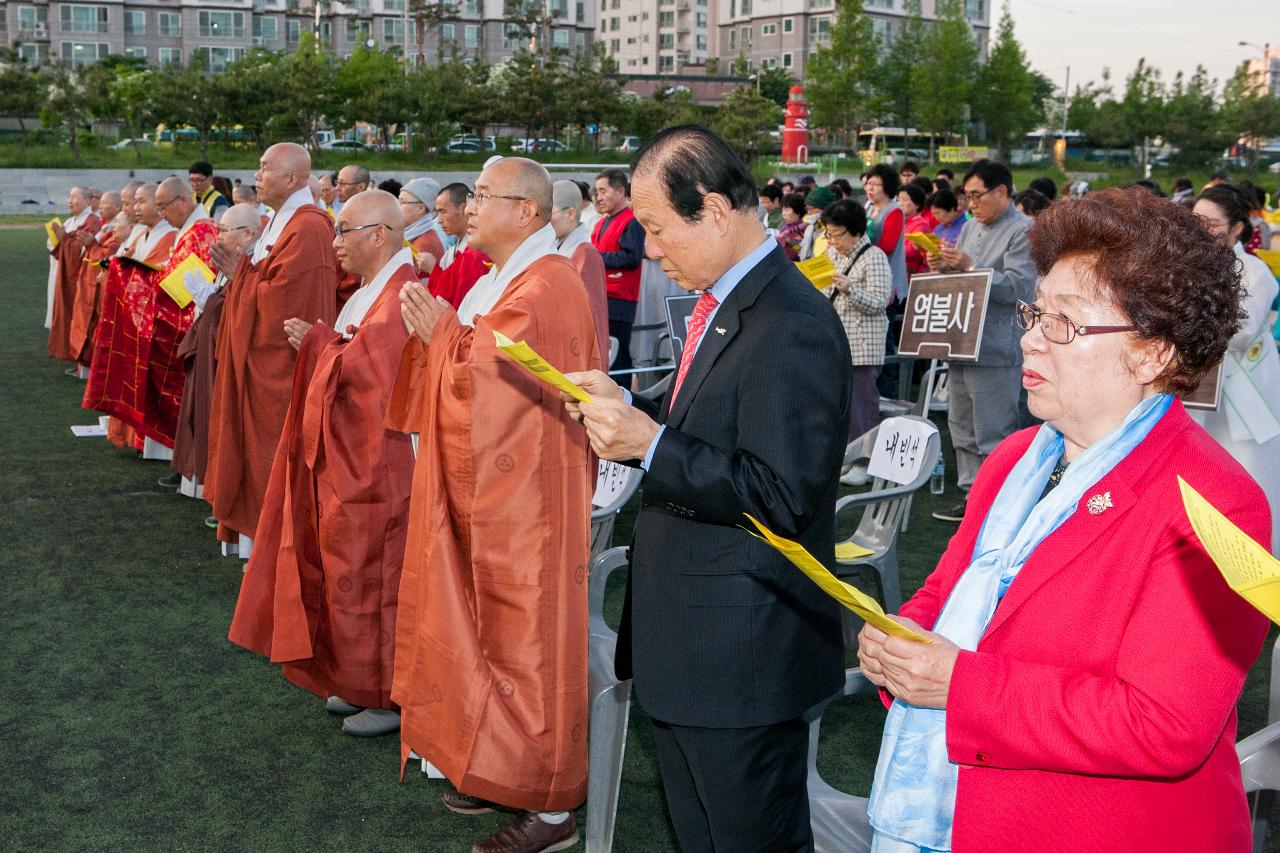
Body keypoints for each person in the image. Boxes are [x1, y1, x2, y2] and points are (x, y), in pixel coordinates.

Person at [858, 186, 1269, 853]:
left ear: (1152, 352)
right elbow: (949, 590)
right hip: (962, 813)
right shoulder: (1017, 457)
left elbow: (1164, 723)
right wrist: (903, 633)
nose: (1030, 340)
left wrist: (959, 684)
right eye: (1035, 313)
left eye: (1064, 323)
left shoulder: (1214, 500)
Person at [565, 125, 849, 853]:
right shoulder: (730, 301)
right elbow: (714, 427)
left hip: (741, 658)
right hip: (694, 644)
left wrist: (649, 442)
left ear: (716, 212)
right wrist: (642, 416)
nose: (651, 250)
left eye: (658, 229)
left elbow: (780, 493)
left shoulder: (792, 322)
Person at [389, 157, 600, 853]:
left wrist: (446, 336)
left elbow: (497, 378)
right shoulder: (502, 278)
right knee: (483, 636)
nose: (470, 206)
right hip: (491, 493)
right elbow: (476, 363)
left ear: (529, 213)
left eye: (484, 195)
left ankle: (551, 806)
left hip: (530, 505)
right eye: (472, 194)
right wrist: (446, 337)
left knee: (528, 646)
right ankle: (498, 768)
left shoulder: (550, 284)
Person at [230, 190, 415, 738]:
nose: (334, 245)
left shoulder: (402, 294)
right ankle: (353, 680)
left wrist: (318, 342)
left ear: (378, 235)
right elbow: (353, 354)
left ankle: (383, 694)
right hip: (351, 457)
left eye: (345, 233)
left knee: (372, 580)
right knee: (344, 574)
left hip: (379, 467)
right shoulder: (372, 291)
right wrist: (325, 342)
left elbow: (374, 374)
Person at [204, 143, 338, 555]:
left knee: (274, 456)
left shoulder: (309, 227)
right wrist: (242, 273)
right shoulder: (281, 221)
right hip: (259, 362)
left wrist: (240, 273)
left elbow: (284, 306)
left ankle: (276, 552)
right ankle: (256, 546)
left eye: (265, 169)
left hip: (279, 369)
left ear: (293, 179)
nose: (256, 176)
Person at [927, 159, 1036, 522]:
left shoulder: (1024, 230)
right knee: (961, 426)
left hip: (995, 347)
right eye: (967, 197)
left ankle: (997, 507)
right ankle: (972, 498)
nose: (970, 205)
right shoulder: (972, 227)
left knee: (994, 430)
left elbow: (1021, 289)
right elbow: (963, 272)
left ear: (1002, 192)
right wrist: (943, 266)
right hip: (959, 340)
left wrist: (970, 267)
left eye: (976, 196)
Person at [1192, 184, 1280, 552]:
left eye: (1211, 223)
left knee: (1247, 472)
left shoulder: (1255, 272)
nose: (1201, 231)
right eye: (1195, 221)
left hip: (1243, 394)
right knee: (1202, 473)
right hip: (1198, 390)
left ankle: (1257, 557)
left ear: (1236, 228)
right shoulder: (1187, 266)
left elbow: (1241, 333)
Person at [170, 204, 263, 499]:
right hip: (210, 348)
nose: (217, 237)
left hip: (228, 358)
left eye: (224, 230)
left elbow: (248, 309)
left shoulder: (255, 262)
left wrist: (209, 300)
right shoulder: (233, 262)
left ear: (249, 234)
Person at [83, 184, 178, 451]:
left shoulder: (169, 236)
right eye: (132, 202)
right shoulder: (141, 233)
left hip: (151, 323)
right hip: (132, 319)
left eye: (140, 202)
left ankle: (147, 441)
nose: (135, 208)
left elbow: (159, 277)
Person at [143, 176, 219, 454]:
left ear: (183, 200)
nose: (161, 214)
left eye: (163, 207)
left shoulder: (200, 232)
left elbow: (186, 287)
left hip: (188, 325)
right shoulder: (194, 229)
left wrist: (148, 284)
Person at [821, 199, 892, 447]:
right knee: (840, 405)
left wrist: (851, 290)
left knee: (861, 406)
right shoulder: (830, 254)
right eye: (828, 234)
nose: (832, 241)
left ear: (857, 231)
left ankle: (864, 461)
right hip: (836, 345)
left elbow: (880, 301)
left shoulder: (874, 257)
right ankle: (847, 455)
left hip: (862, 348)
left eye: (837, 235)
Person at [592, 167, 646, 373]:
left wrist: (597, 257)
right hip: (602, 296)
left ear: (621, 192)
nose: (599, 197)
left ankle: (624, 400)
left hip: (620, 299)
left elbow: (632, 257)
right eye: (597, 192)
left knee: (619, 354)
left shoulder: (631, 221)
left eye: (603, 191)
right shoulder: (601, 222)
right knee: (606, 354)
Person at [552, 179, 611, 359]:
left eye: (549, 212)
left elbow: (593, 319)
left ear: (570, 214)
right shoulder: (562, 248)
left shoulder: (586, 255)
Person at [67, 191, 123, 368]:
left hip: (100, 286)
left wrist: (92, 244)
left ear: (118, 207)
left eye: (104, 203)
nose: (99, 207)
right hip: (88, 280)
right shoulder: (107, 226)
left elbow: (107, 256)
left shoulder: (120, 228)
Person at [46, 187, 101, 363]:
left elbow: (83, 249)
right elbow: (58, 247)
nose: (70, 201)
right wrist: (59, 239)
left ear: (87, 201)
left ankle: (80, 358)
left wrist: (64, 239)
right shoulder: (71, 221)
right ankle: (70, 353)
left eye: (74, 197)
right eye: (69, 197)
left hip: (79, 276)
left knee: (79, 317)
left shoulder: (92, 221)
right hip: (64, 274)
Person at [426, 182, 491, 309]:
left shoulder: (477, 254)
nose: (439, 220)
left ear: (463, 208)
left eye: (443, 211)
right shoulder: (452, 253)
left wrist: (432, 269)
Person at [398, 177, 445, 278]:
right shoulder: (415, 235)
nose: (397, 206)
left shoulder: (426, 244)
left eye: (403, 202)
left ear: (420, 208)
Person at [897, 183, 934, 276]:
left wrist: (890, 251)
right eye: (898, 200)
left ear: (917, 204)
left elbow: (913, 252)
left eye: (904, 200)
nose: (900, 203)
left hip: (912, 277)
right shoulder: (899, 223)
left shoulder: (921, 225)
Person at [797, 185, 836, 260]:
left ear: (824, 208)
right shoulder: (809, 225)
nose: (809, 212)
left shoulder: (832, 228)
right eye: (807, 209)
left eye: (811, 209)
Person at [775, 192, 808, 260]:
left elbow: (803, 251)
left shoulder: (807, 226)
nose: (783, 214)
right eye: (782, 210)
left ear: (798, 211)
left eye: (787, 210)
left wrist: (790, 242)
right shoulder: (784, 231)